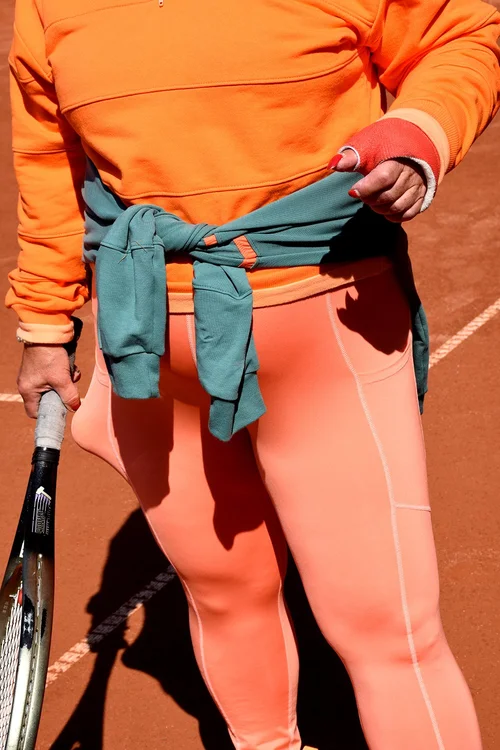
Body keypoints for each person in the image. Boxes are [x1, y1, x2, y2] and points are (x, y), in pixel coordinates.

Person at [6, 0, 500, 747]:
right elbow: (49, 157)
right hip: (148, 347)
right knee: (224, 597)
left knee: (387, 630)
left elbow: (461, 33)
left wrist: (419, 132)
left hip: (327, 330)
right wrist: (45, 324)